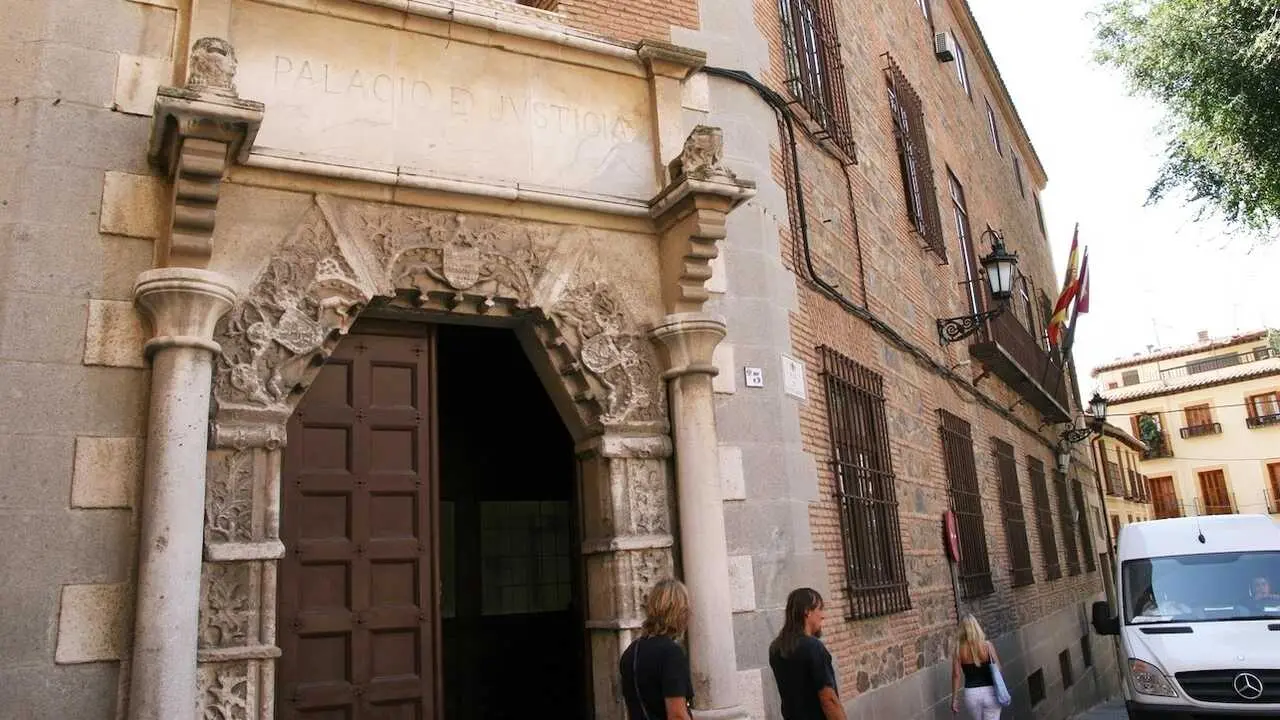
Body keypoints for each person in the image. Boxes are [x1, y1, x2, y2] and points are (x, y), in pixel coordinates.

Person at [619, 578, 693, 720]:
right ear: (680, 612)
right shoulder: (671, 653)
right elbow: (677, 715)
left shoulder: (632, 651)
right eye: (686, 609)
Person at [768, 587, 846, 720]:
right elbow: (828, 699)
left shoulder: (776, 648)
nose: (823, 615)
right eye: (819, 609)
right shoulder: (813, 647)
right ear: (807, 611)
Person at [951, 614, 1004, 719]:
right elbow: (998, 669)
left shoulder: (958, 650)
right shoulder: (987, 646)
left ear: (961, 630)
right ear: (976, 627)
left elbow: (956, 675)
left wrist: (954, 699)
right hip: (990, 691)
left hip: (971, 694)